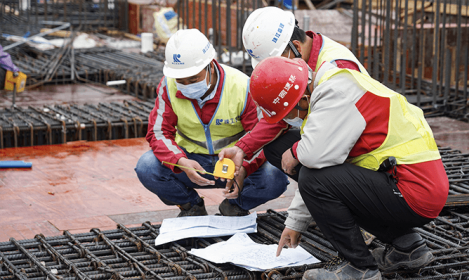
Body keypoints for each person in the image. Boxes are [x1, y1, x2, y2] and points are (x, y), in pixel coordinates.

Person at [219, 57, 449, 279]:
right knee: (303, 164)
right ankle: (407, 247)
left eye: (286, 114)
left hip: (412, 192)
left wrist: (296, 152)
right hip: (408, 184)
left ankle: (360, 268)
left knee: (313, 178)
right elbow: (321, 166)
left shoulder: (335, 96)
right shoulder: (329, 84)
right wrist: (295, 223)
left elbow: (313, 166)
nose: (286, 120)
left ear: (302, 100)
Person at [135, 29, 288, 217]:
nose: (186, 85)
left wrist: (244, 168)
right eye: (180, 80)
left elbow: (261, 134)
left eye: (193, 78)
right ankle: (191, 205)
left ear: (210, 65)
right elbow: (158, 132)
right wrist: (181, 161)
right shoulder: (168, 85)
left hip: (235, 163)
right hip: (191, 161)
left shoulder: (241, 86)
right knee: (147, 166)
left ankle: (235, 205)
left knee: (275, 175)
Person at [231, 6, 370, 177]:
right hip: (333, 133)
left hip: (360, 151)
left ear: (295, 47)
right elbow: (281, 113)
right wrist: (242, 148)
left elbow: (340, 135)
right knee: (276, 149)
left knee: (308, 166)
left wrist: (298, 152)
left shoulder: (336, 69)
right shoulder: (308, 56)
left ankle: (333, 197)